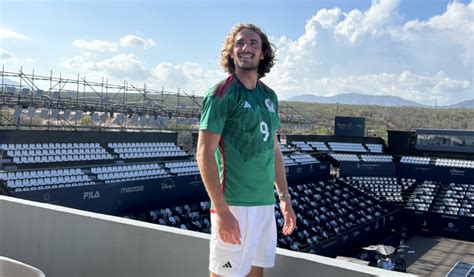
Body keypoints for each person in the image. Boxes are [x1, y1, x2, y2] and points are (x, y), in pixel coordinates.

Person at [196, 23, 297, 277]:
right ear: (231, 52)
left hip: (264, 204)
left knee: (255, 273)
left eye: (253, 43)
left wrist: (284, 199)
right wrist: (221, 210)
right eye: (239, 43)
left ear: (263, 53)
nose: (246, 48)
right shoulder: (221, 94)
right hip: (233, 205)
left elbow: (273, 151)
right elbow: (204, 153)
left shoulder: (269, 97)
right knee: (225, 274)